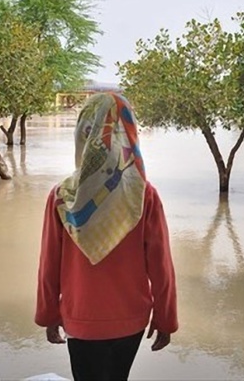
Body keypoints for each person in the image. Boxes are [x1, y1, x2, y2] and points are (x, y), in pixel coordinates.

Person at [35, 92, 178, 381]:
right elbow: (161, 266)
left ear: (83, 135)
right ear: (128, 133)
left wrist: (48, 314)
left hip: (81, 318)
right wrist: (165, 318)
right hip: (131, 319)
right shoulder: (144, 195)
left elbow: (49, 263)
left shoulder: (63, 198)